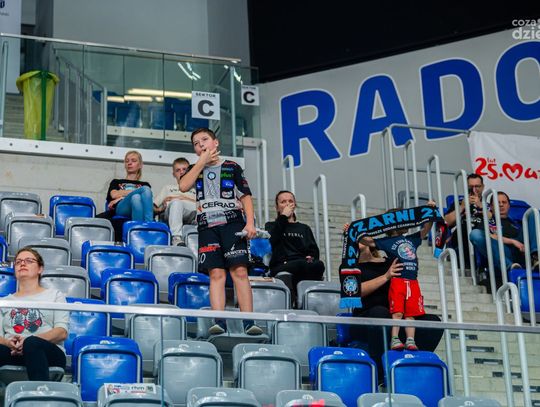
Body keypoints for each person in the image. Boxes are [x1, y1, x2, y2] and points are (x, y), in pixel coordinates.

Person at [179, 127, 262, 336]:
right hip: (207, 226)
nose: (201, 144)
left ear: (215, 143)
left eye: (204, 140)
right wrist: (201, 162)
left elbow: (245, 196)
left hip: (233, 223)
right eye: (196, 143)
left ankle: (249, 322)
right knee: (216, 273)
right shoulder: (194, 168)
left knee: (239, 271)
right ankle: (219, 321)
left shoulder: (232, 167)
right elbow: (183, 186)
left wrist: (250, 223)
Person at [349, 242, 443, 380]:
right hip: (366, 320)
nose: (360, 239)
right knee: (381, 314)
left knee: (433, 322)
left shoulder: (391, 261)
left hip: (396, 319)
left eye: (363, 235)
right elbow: (353, 292)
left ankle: (413, 368)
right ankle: (380, 375)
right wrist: (386, 277)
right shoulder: (350, 266)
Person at [360, 201, 437, 351]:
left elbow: (426, 229)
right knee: (397, 312)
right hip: (398, 281)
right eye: (403, 218)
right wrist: (353, 230)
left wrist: (430, 211)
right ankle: (394, 339)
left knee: (411, 313)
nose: (407, 222)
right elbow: (368, 241)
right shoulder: (387, 241)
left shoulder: (411, 239)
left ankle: (410, 340)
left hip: (413, 282)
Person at [0, 247, 69, 381]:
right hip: (13, 352)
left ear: (40, 269)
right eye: (18, 262)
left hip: (48, 353)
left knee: (32, 343)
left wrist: (27, 341)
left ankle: (39, 391)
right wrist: (9, 343)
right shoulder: (4, 302)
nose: (22, 264)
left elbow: (62, 332)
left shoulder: (55, 296)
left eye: (29, 261)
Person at [265, 190, 324, 304]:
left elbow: (313, 251)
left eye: (290, 201)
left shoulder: (304, 228)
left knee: (319, 265)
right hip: (282, 264)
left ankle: (303, 301)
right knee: (300, 265)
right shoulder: (271, 225)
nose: (287, 204)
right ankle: (292, 300)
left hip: (303, 263)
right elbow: (272, 240)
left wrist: (311, 257)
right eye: (283, 202)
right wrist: (283, 217)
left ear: (294, 205)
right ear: (277, 207)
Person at [469, 191, 525, 289]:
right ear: (491, 206)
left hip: (519, 253)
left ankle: (535, 258)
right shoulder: (488, 221)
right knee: (475, 234)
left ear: (509, 205)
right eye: (497, 203)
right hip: (500, 252)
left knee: (533, 215)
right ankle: (510, 266)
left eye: (504, 202)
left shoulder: (518, 224)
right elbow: (488, 237)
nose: (501, 205)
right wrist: (512, 241)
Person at [444, 173, 485, 268]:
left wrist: (481, 206)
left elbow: (495, 223)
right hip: (461, 237)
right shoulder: (458, 203)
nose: (474, 189)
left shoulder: (488, 205)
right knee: (467, 227)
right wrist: (462, 207)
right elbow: (446, 222)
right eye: (471, 187)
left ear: (483, 187)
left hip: (482, 236)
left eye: (477, 186)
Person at [154, 157, 196, 246]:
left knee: (201, 207)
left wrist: (183, 198)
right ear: (174, 174)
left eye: (184, 169)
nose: (181, 172)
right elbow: (153, 208)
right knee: (176, 202)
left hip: (191, 210)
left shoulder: (196, 189)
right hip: (172, 210)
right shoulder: (168, 188)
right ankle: (176, 238)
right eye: (178, 170)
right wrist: (161, 208)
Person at [106, 150, 153, 222]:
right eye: (127, 161)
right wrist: (138, 191)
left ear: (140, 165)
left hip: (138, 205)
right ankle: (149, 223)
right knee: (145, 190)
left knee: (136, 197)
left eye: (133, 161)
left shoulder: (145, 184)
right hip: (121, 208)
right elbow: (114, 195)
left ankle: (138, 227)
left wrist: (121, 196)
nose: (129, 163)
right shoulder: (116, 182)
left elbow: (147, 202)